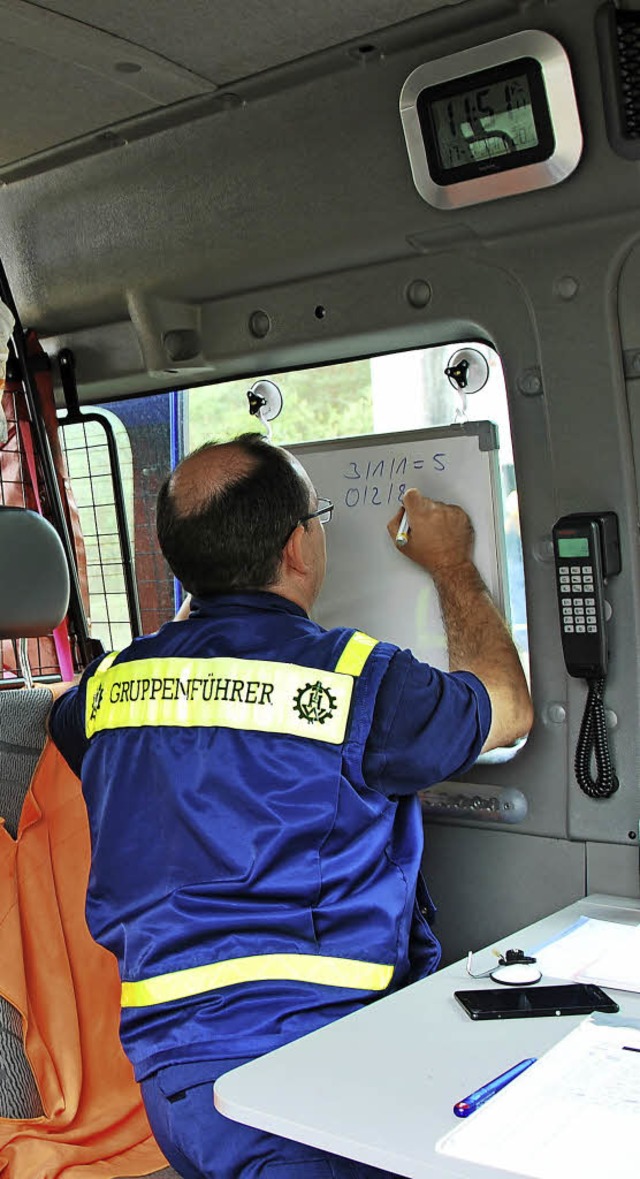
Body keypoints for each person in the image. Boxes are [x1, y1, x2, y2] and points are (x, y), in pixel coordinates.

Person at [49, 432, 533, 1179]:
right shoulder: (362, 681)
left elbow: (139, 725)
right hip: (315, 1078)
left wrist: (202, 602)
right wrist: (452, 565)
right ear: (298, 548)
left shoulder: (104, 691)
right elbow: (509, 706)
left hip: (178, 1090)